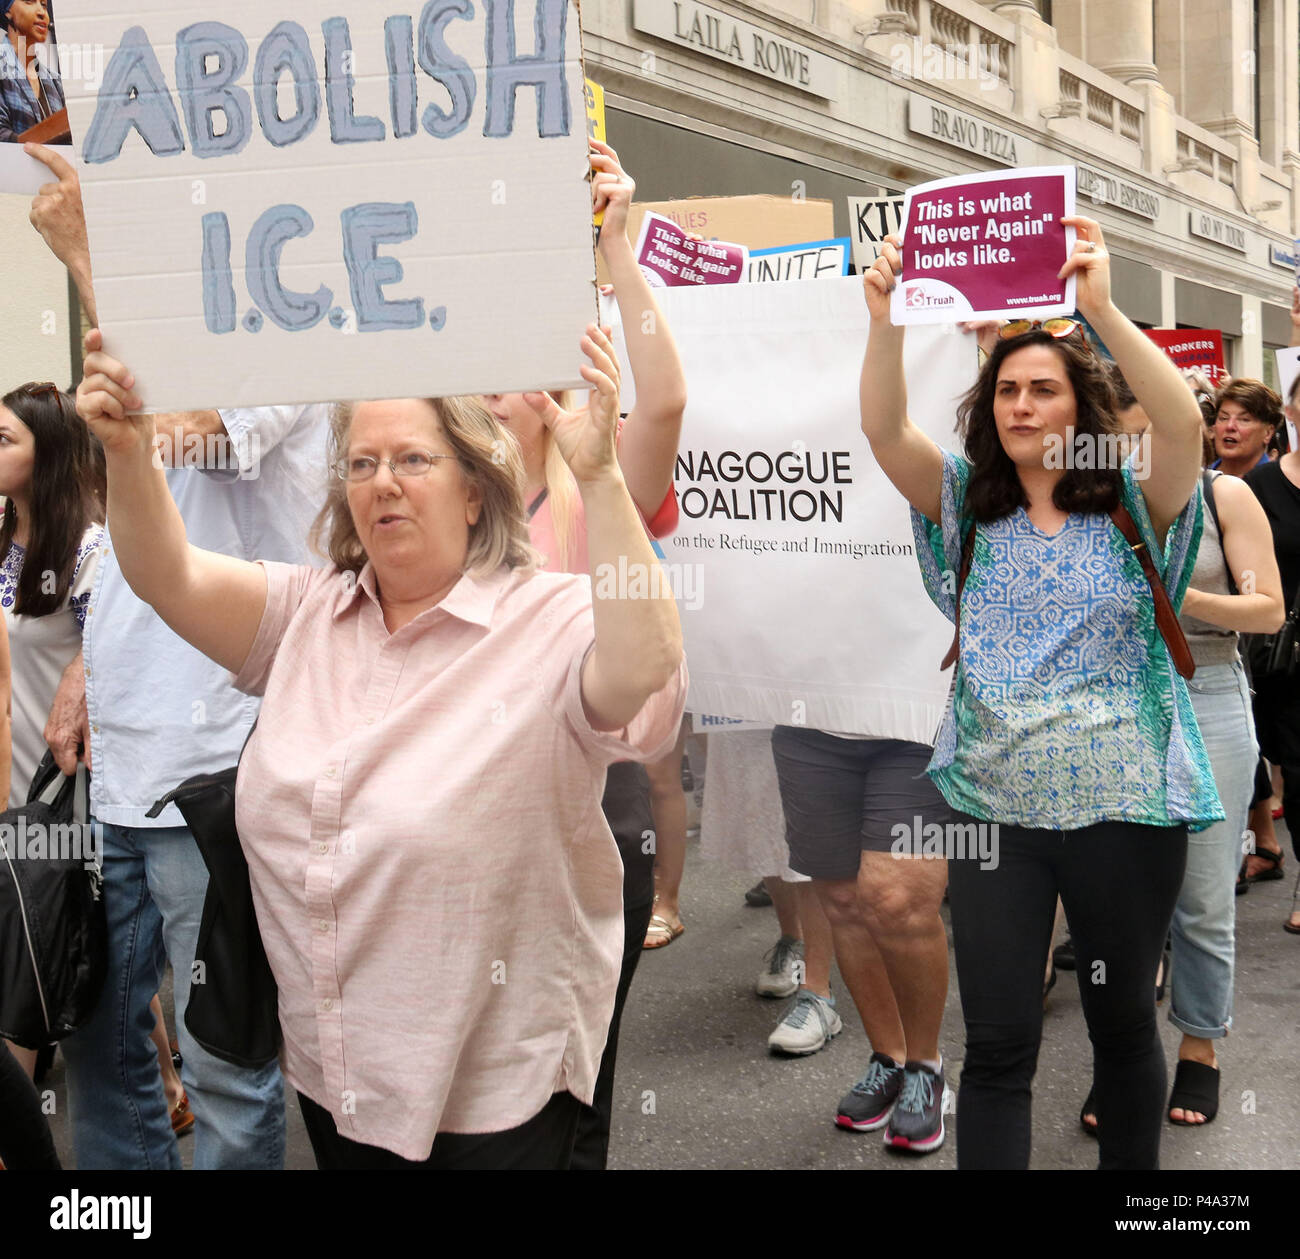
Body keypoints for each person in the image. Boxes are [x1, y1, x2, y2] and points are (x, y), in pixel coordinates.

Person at [76, 319, 686, 1169]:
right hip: (339, 1082)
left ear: (475, 490)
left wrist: (600, 474)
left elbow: (646, 671)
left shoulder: (545, 620)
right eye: (361, 464)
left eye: (411, 460)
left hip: (497, 1097)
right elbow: (167, 573)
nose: (382, 483)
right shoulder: (307, 612)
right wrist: (131, 451)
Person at [860, 218, 1222, 1170]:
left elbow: (1182, 420)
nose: (1021, 403)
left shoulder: (1136, 502)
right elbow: (882, 429)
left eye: (1042, 387)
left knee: (1120, 1032)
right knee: (1000, 1043)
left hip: (1126, 812)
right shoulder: (962, 504)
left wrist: (1096, 307)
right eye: (1008, 390)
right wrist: (884, 320)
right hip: (995, 817)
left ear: (1079, 407)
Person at [27, 141, 329, 1170]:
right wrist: (86, 661)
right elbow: (126, 512)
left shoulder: (296, 328)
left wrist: (87, 260)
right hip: (110, 762)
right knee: (99, 1043)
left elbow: (169, 435)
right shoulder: (175, 322)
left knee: (223, 1057)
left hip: (213, 770)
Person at [484, 139, 686, 1167]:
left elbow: (663, 402)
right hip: (472, 814)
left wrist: (614, 248)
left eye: (511, 371)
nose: (488, 389)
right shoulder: (432, 511)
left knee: (578, 1072)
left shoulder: (596, 484)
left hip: (593, 814)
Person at [1077, 371, 1283, 1132]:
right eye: (1124, 437)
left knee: (1200, 896)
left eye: (1152, 434)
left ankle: (1200, 1046)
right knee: (1118, 908)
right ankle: (1123, 1058)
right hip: (1113, 702)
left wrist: (1171, 591)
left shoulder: (1224, 496)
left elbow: (1266, 608)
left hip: (1207, 695)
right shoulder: (1089, 499)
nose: (1139, 452)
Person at [0, 381, 102, 1082]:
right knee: (61, 953)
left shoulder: (91, 553)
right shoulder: (1, 540)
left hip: (59, 802)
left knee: (31, 973)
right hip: (8, 782)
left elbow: (111, 666)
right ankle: (165, 1081)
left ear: (48, 456)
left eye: (4, 438)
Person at [1244, 397, 1300, 934]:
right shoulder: (1261, 487)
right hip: (1276, 648)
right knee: (1267, 757)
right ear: (1291, 408)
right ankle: (1262, 844)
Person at [0, 1, 64, 143]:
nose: (42, 13)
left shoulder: (56, 81)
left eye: (44, 5)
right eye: (29, 1)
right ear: (7, 11)